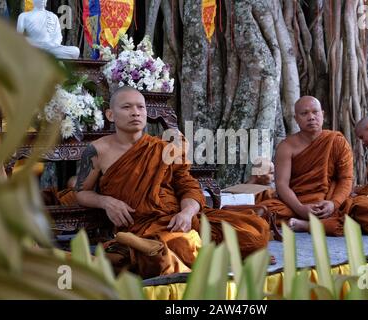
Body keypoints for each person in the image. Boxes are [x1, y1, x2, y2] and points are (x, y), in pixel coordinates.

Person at [75, 86, 269, 278]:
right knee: (173, 244)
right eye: (126, 107)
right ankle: (167, 250)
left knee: (255, 232)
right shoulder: (96, 151)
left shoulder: (165, 148)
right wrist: (107, 202)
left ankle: (163, 253)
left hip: (180, 220)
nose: (135, 113)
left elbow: (188, 186)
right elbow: (81, 192)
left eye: (140, 107)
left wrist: (187, 213)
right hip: (142, 225)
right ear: (110, 114)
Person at [258, 97, 368, 236]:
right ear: (296, 118)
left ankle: (305, 225)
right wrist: (301, 209)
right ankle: (319, 223)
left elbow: (346, 179)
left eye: (315, 112)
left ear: (323, 114)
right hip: (297, 203)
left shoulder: (337, 142)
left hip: (331, 201)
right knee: (266, 211)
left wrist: (334, 203)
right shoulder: (286, 147)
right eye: (304, 113)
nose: (311, 117)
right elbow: (282, 184)